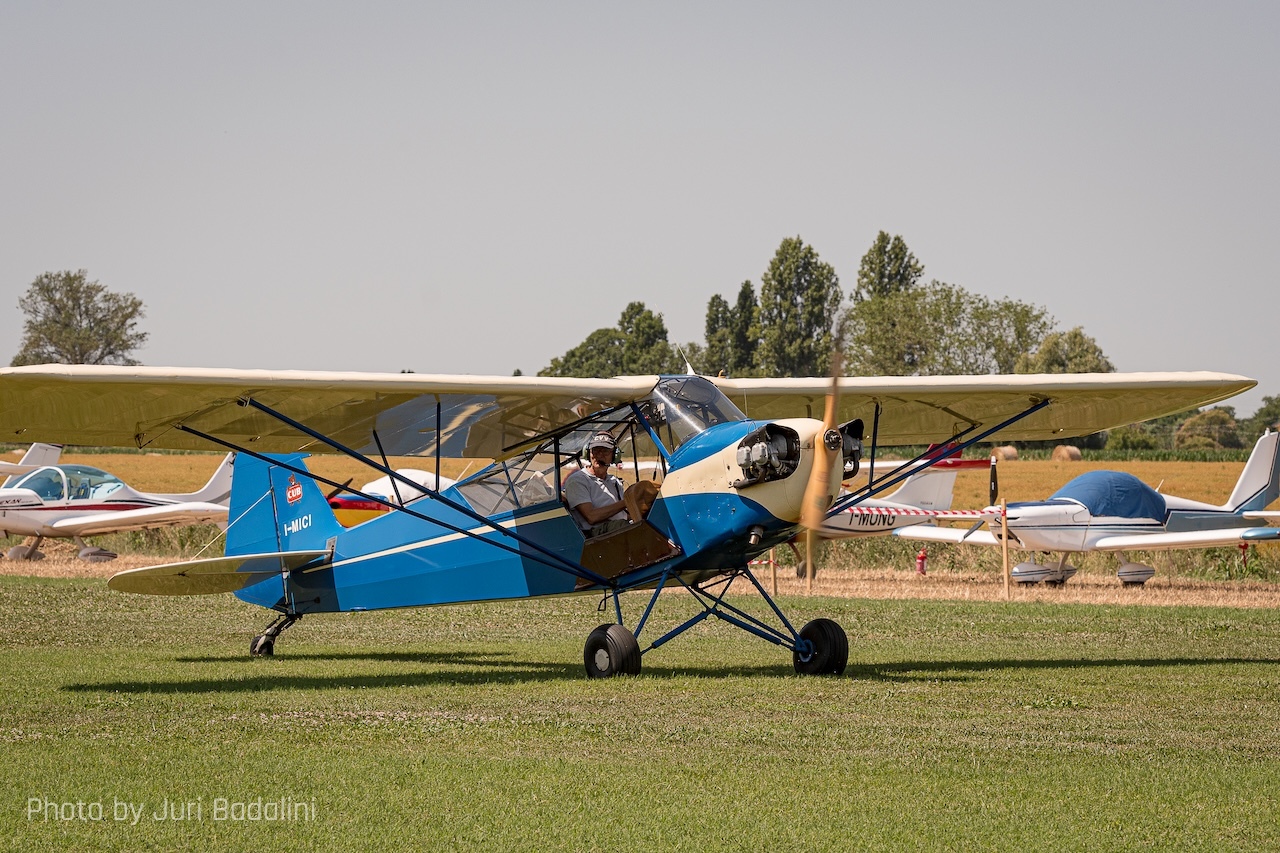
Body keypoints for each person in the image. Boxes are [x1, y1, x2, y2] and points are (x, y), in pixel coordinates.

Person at [564, 432, 631, 538]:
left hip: (619, 526)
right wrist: (627, 502)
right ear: (588, 453)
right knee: (625, 527)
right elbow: (591, 517)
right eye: (595, 451)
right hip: (595, 534)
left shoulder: (614, 481)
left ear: (614, 455)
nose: (599, 455)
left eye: (605, 451)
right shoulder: (578, 480)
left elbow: (623, 514)